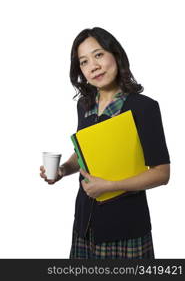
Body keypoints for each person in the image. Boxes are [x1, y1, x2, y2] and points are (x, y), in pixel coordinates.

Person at [40, 27, 170, 259]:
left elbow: (162, 173)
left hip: (125, 228)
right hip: (84, 226)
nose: (93, 66)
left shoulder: (144, 107)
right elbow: (82, 152)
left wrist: (109, 186)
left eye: (98, 55)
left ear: (116, 55)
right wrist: (62, 170)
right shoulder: (85, 106)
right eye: (84, 61)